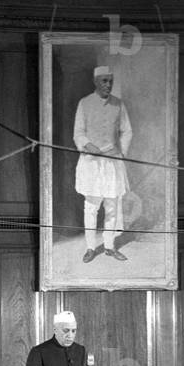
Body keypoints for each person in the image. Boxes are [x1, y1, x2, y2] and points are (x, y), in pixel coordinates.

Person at [73, 65, 133, 262]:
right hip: (91, 163)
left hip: (112, 163)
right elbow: (78, 133)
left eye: (111, 81)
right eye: (104, 81)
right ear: (96, 81)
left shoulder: (118, 104)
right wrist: (88, 145)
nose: (108, 85)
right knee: (91, 207)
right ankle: (91, 247)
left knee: (112, 206)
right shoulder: (85, 103)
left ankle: (109, 246)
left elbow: (127, 131)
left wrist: (121, 152)